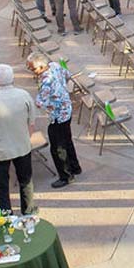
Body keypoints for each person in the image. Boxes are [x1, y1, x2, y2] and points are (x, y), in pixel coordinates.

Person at [0, 64, 37, 214]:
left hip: (0, 148)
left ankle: (6, 216)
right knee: (25, 181)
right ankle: (28, 212)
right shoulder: (24, 95)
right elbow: (31, 123)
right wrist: (24, 137)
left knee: (1, 185)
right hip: (22, 145)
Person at [27, 52, 81, 189]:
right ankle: (75, 167)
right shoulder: (54, 65)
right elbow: (68, 75)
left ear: (41, 66)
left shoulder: (46, 81)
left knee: (58, 148)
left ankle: (66, 176)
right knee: (67, 140)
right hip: (66, 109)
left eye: (33, 68)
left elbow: (39, 102)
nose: (32, 71)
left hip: (58, 116)